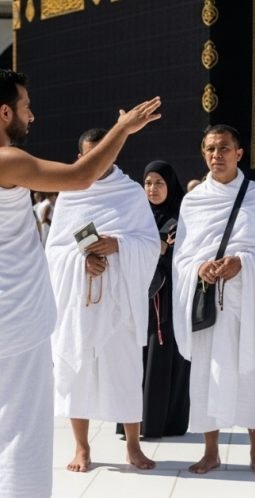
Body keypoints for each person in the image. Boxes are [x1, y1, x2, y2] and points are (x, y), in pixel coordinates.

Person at [0, 68, 160, 497]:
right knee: (20, 426)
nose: (30, 117)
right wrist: (123, 128)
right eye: (25, 107)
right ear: (3, 113)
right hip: (13, 322)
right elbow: (80, 176)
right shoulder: (7, 160)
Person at [46, 128, 161, 473]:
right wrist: (80, 261)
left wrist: (119, 245)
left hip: (119, 299)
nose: (97, 162)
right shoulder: (71, 192)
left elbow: (150, 243)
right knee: (76, 369)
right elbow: (54, 250)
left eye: (103, 154)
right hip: (80, 298)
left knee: (125, 372)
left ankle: (133, 447)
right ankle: (82, 448)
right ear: (81, 158)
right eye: (90, 156)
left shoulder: (130, 193)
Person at [173, 124, 255, 476]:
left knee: (251, 375)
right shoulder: (193, 201)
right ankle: (210, 451)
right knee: (206, 376)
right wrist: (199, 267)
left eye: (223, 148)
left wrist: (243, 263)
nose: (216, 155)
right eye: (209, 149)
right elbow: (182, 258)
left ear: (239, 153)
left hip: (246, 304)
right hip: (208, 304)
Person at [116, 159, 191, 439]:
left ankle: (160, 422)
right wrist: (154, 248)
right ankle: (131, 421)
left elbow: (186, 254)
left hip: (168, 300)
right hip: (139, 297)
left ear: (170, 185)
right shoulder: (137, 216)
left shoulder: (182, 217)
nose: (152, 188)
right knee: (136, 357)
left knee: (164, 357)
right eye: (148, 182)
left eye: (159, 183)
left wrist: (161, 251)